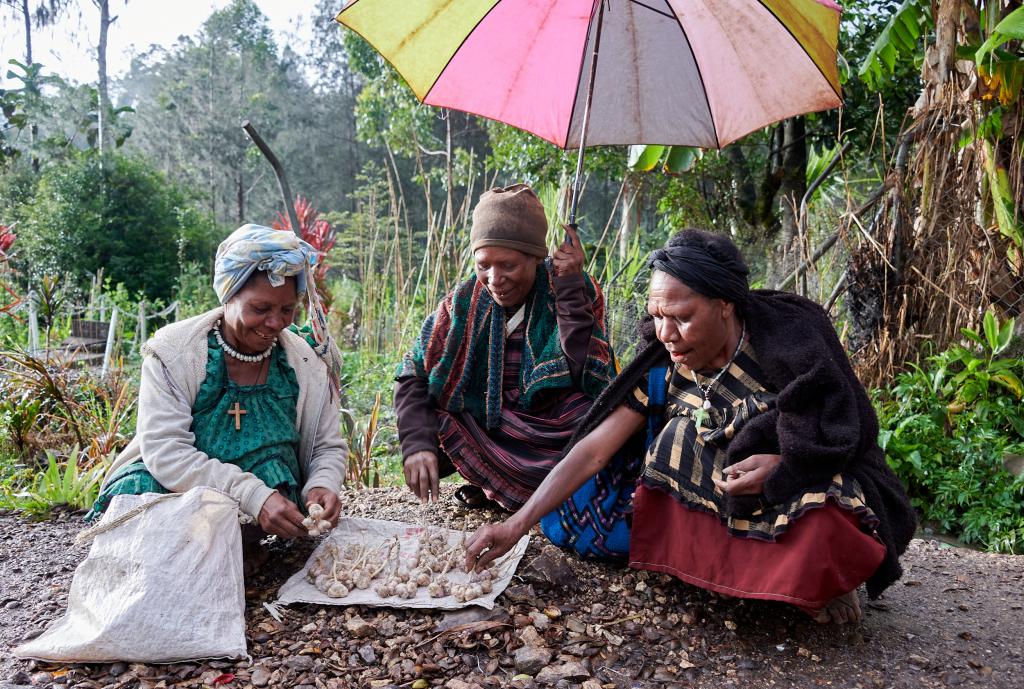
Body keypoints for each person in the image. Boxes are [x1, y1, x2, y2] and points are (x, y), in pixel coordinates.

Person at [466, 229, 917, 624]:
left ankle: (806, 578)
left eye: (682, 317)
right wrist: (517, 524)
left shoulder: (790, 344)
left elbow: (843, 433)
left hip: (792, 487)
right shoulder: (664, 366)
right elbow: (594, 450)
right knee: (667, 448)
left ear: (725, 306)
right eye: (657, 316)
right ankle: (744, 574)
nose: (665, 333)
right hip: (717, 500)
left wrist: (784, 465)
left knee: (833, 528)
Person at [91, 224, 347, 553]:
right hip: (183, 486)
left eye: (287, 310)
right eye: (261, 308)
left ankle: (238, 547)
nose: (275, 322)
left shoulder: (305, 362)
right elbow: (166, 452)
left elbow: (326, 446)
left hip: (263, 502)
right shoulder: (175, 352)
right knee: (147, 494)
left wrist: (321, 485)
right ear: (228, 295)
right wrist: (253, 495)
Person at [395, 184, 616, 511]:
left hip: (552, 435)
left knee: (589, 417)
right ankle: (495, 485)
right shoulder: (462, 305)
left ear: (535, 258)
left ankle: (546, 495)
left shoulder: (570, 286)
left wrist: (570, 290)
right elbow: (414, 373)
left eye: (508, 265)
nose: (494, 278)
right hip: (490, 429)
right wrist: (417, 445)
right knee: (438, 411)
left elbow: (588, 371)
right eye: (483, 265)